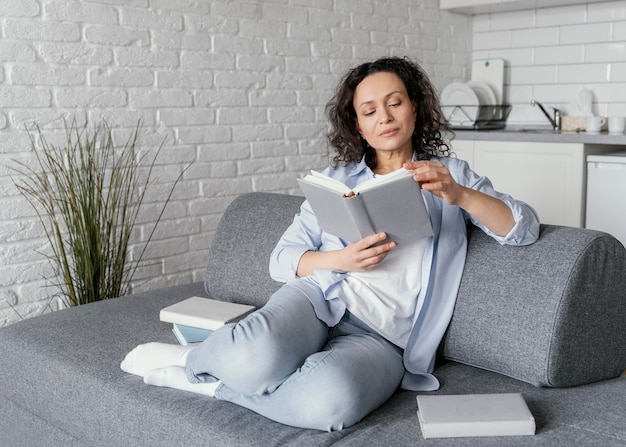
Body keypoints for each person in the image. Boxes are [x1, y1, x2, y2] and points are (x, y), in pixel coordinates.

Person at [121, 56, 540, 432]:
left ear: (415, 107)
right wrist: (342, 259)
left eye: (395, 103)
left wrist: (460, 195)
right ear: (358, 125)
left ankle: (211, 386)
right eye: (369, 110)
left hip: (384, 339)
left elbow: (523, 229)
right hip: (319, 301)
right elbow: (281, 260)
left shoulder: (450, 174)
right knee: (253, 357)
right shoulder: (337, 183)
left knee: (329, 404)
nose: (385, 117)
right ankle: (191, 360)